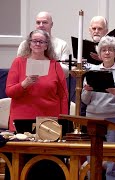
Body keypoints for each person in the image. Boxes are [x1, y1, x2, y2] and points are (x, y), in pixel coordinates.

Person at [5, 29, 68, 180]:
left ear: (47, 45)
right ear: (29, 43)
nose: (38, 44)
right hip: (22, 121)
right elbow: (9, 91)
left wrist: (62, 123)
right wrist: (24, 84)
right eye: (35, 41)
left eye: (42, 41)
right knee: (21, 165)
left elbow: (63, 96)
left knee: (47, 166)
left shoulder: (54, 65)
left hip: (48, 123)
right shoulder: (19, 62)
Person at [81, 36, 115, 180]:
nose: (107, 52)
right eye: (104, 50)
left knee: (113, 157)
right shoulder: (92, 71)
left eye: (110, 49)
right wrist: (87, 90)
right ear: (99, 53)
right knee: (92, 155)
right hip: (93, 116)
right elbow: (84, 100)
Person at [17, 11, 71, 77]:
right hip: (28, 82)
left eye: (45, 22)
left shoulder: (62, 45)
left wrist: (45, 64)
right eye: (38, 22)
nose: (41, 25)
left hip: (53, 83)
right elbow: (18, 68)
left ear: (51, 24)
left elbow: (66, 72)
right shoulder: (24, 44)